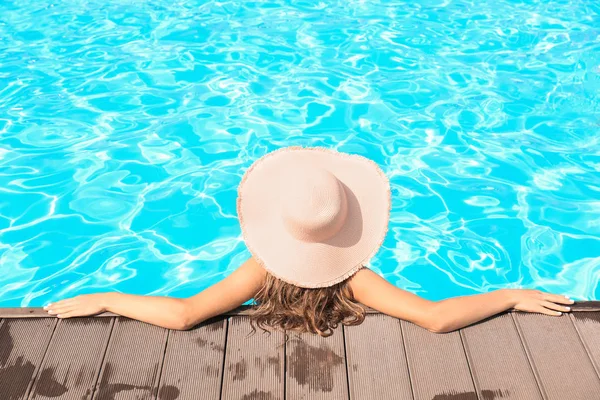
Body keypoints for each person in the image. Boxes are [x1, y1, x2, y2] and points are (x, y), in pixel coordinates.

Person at [43, 146, 574, 337]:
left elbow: (185, 314)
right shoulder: (356, 280)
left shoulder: (261, 272)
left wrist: (109, 298)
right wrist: (508, 294)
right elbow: (433, 317)